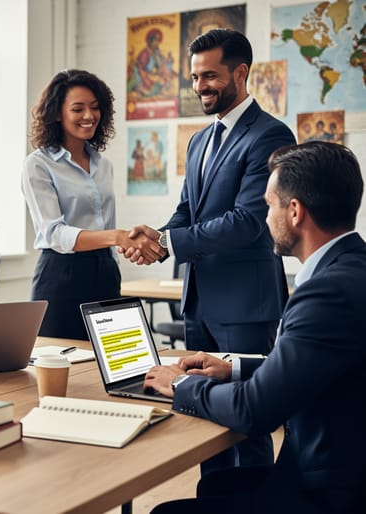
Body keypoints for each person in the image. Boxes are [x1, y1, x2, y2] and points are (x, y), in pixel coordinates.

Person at [144, 141, 366, 514]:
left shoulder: (326, 293)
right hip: (340, 469)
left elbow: (254, 410)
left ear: (294, 211)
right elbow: (316, 366)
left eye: (268, 204)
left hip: (328, 493)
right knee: (214, 484)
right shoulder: (352, 269)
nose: (264, 218)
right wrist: (235, 367)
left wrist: (180, 384)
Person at [123, 28, 295, 472]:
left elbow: (248, 222)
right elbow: (187, 211)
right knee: (200, 415)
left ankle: (250, 501)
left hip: (245, 305)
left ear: (241, 73)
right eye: (195, 78)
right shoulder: (200, 140)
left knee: (245, 423)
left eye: (210, 76)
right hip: (197, 302)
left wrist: (168, 242)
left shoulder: (271, 135)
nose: (200, 87)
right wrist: (156, 243)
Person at [22, 69, 164, 339]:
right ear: (56, 113)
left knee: (112, 367)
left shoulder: (103, 165)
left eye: (95, 108)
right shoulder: (38, 164)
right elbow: (54, 233)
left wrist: (126, 244)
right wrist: (118, 237)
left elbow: (104, 223)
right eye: (78, 109)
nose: (89, 116)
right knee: (61, 364)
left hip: (105, 272)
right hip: (61, 276)